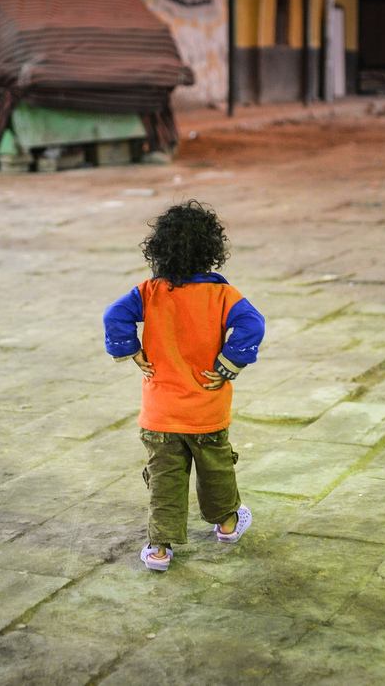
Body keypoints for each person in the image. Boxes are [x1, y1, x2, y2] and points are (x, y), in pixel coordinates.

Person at [102, 201, 266, 572]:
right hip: (207, 411)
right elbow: (253, 326)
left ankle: (159, 550)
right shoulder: (224, 296)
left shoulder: (148, 292)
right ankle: (226, 525)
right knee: (216, 470)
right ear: (211, 249)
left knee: (165, 479)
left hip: (160, 414)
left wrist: (131, 351)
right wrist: (228, 364)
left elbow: (114, 317)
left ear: (159, 249)